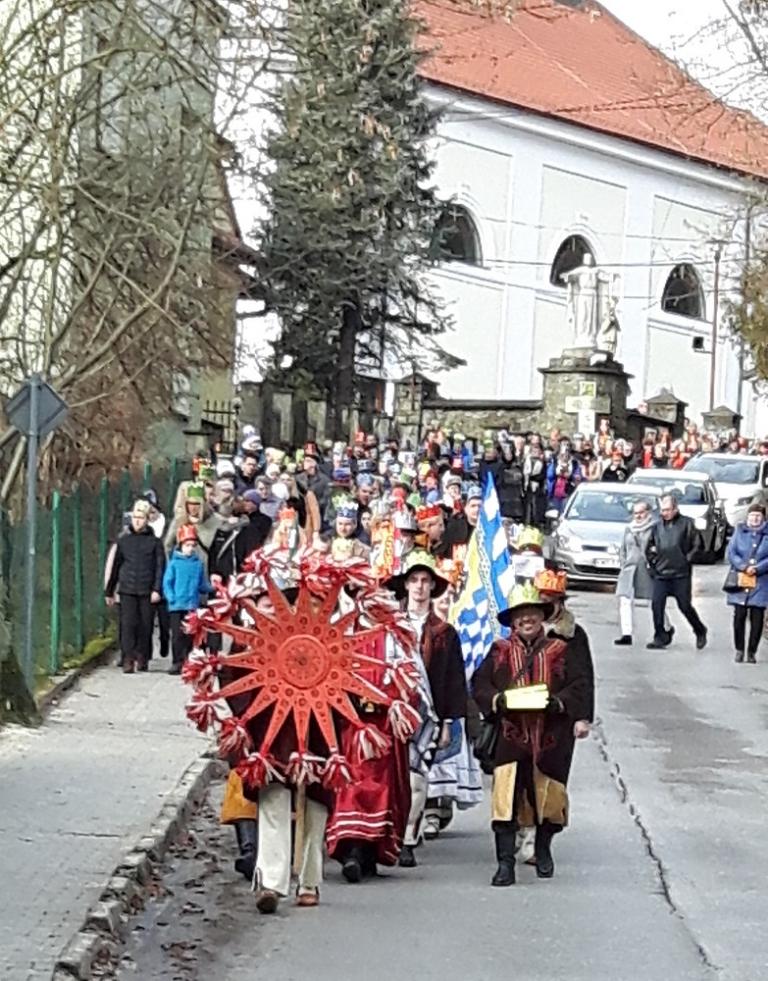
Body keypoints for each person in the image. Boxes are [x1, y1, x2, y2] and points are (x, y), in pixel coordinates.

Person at [472, 583, 594, 886]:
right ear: (513, 621)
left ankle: (543, 848)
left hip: (551, 737)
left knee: (550, 799)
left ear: (542, 618)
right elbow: (479, 683)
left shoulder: (560, 650)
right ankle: (505, 864)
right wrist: (496, 701)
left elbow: (580, 684)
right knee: (505, 801)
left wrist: (560, 703)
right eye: (521, 616)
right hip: (510, 739)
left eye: (532, 615)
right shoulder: (499, 652)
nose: (527, 620)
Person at [395, 551, 467, 868]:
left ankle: (409, 838)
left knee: (416, 778)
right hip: (392, 711)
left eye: (425, 581)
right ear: (406, 586)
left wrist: (449, 722)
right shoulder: (390, 627)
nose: (420, 587)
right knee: (389, 777)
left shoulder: (444, 633)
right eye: (414, 580)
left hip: (428, 715)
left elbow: (453, 679)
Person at [105, 500, 165, 673]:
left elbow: (159, 567)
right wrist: (110, 591)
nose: (137, 521)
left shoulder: (155, 543)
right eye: (135, 517)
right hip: (127, 589)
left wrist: (157, 589)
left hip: (147, 590)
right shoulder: (124, 541)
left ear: (147, 520)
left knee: (145, 625)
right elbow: (116, 566)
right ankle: (127, 659)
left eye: (141, 518)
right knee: (127, 625)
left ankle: (143, 657)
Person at [645, 493, 707, 651]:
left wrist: (687, 559)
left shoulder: (687, 524)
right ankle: (660, 635)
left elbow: (697, 544)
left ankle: (699, 629)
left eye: (667, 510)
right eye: (662, 510)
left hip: (680, 573)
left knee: (684, 605)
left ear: (675, 509)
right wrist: (653, 563)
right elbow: (649, 547)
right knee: (657, 605)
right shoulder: (657, 527)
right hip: (661, 572)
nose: (664, 513)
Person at [614, 498, 670, 646]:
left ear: (649, 513)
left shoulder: (656, 528)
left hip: (647, 569)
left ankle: (667, 627)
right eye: (635, 513)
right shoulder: (629, 528)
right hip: (629, 569)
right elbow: (623, 548)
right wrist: (623, 563)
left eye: (641, 512)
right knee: (624, 599)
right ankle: (626, 634)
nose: (638, 516)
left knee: (653, 600)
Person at [162, 524, 212, 675]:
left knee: (190, 635)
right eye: (187, 545)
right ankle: (177, 661)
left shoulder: (198, 564)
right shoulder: (174, 563)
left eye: (192, 545)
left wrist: (214, 587)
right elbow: (167, 582)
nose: (190, 548)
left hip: (192, 605)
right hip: (177, 605)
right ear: (181, 546)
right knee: (177, 635)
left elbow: (202, 584)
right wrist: (171, 597)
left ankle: (189, 661)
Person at [726, 503, 768, 663]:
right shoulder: (740, 530)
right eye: (752, 516)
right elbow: (731, 552)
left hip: (761, 580)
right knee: (739, 616)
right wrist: (742, 566)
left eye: (758, 516)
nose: (755, 519)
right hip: (741, 578)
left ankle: (752, 651)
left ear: (763, 518)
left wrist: (758, 568)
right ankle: (739, 649)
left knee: (757, 617)